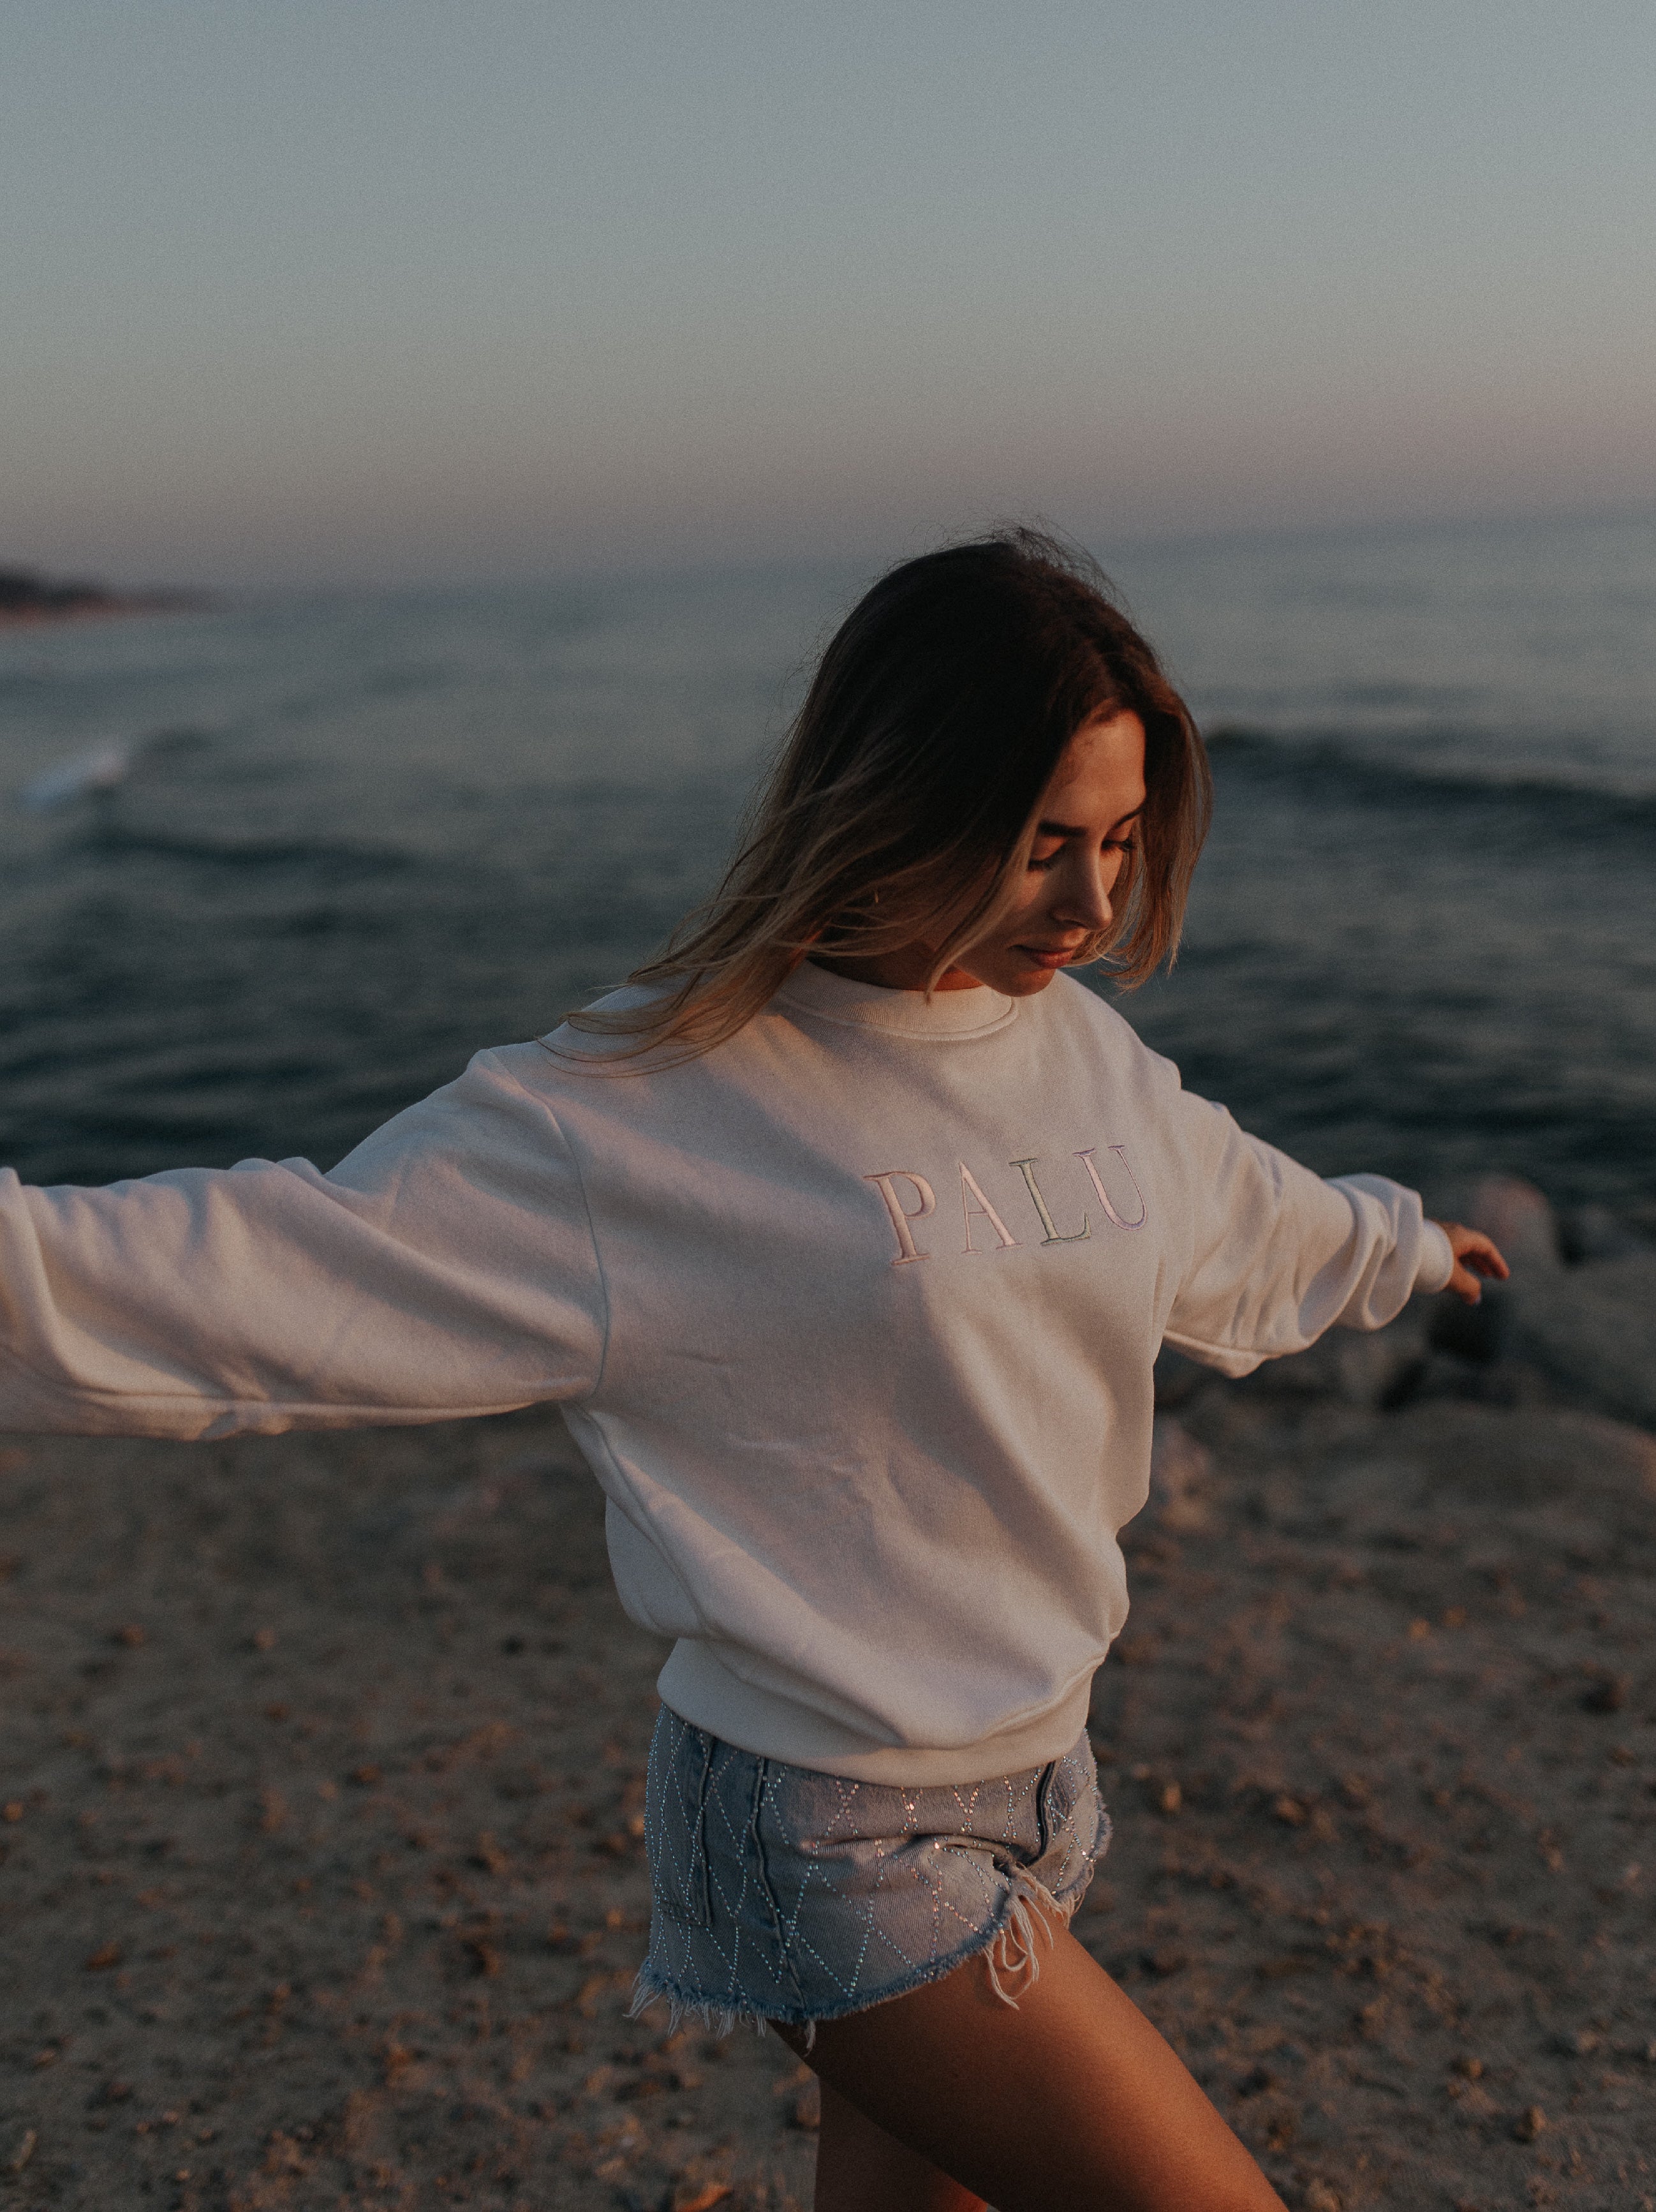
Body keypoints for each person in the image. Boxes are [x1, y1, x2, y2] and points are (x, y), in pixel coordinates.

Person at [0, 529, 1505, 2211]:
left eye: (1121, 843)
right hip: (829, 1831)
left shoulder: (1077, 1044)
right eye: (1039, 848)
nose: (1091, 906)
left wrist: (1398, 1246)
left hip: (1042, 1773)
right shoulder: (650, 1112)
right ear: (896, 807)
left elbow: (1228, 1204)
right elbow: (262, 1269)